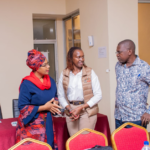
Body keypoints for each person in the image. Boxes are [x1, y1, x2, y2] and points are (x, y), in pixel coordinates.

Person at [16, 49, 61, 150]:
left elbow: (55, 95)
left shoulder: (51, 81)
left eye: (48, 64)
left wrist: (55, 102)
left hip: (47, 122)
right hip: (32, 127)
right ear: (36, 67)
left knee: (48, 146)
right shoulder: (27, 84)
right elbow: (23, 108)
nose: (48, 66)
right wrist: (44, 107)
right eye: (44, 65)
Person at [58, 47, 102, 136]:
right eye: (78, 57)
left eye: (83, 56)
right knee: (74, 141)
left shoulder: (90, 72)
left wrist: (81, 108)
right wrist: (70, 109)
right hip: (71, 111)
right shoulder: (64, 74)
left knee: (84, 141)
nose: (82, 59)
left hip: (87, 110)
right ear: (71, 58)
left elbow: (98, 95)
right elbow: (60, 95)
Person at [115, 39, 150, 129]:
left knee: (137, 143)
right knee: (119, 143)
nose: (117, 55)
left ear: (129, 51)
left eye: (119, 52)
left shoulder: (144, 67)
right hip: (119, 117)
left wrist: (149, 112)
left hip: (136, 118)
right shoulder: (118, 66)